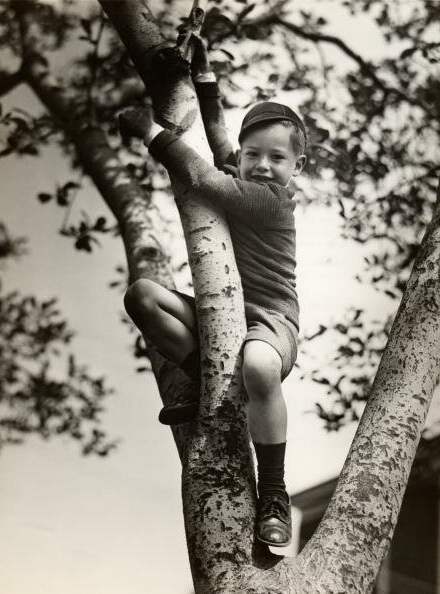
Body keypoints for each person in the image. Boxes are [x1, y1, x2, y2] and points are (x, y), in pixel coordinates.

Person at [122, 35, 307, 548]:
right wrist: (204, 78)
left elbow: (202, 175)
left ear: (296, 168)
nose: (263, 164)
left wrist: (150, 131)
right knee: (142, 296)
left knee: (259, 367)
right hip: (220, 314)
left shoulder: (271, 201)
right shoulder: (243, 168)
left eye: (277, 158)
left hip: (270, 320)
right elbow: (220, 137)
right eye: (253, 155)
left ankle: (273, 490)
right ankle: (207, 377)